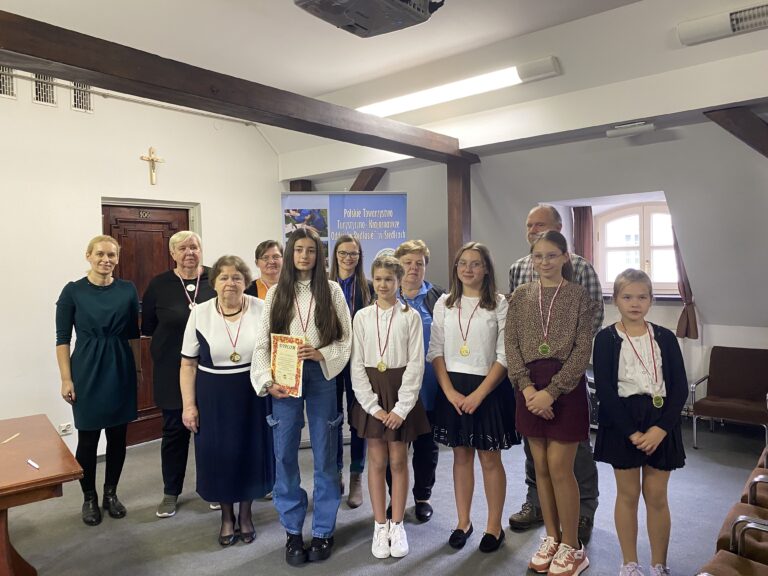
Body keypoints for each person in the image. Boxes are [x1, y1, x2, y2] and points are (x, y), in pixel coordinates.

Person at [251, 228, 352, 565]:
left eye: (310, 250)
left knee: (325, 455)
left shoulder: (332, 291)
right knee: (284, 455)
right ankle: (293, 531)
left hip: (321, 374)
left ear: (318, 255)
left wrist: (322, 353)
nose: (305, 256)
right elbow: (262, 344)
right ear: (290, 253)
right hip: (284, 377)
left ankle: (323, 530)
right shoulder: (275, 293)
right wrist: (266, 381)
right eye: (298, 250)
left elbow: (346, 339)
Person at [508, 204, 603, 544]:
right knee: (540, 465)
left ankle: (579, 521)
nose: (533, 230)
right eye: (529, 225)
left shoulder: (580, 280)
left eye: (541, 224)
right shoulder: (519, 278)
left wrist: (553, 391)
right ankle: (544, 521)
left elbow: (587, 335)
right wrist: (529, 390)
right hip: (529, 386)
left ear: (563, 253)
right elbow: (512, 340)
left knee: (570, 462)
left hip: (565, 382)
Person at [593, 269, 687, 576]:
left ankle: (659, 564)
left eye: (642, 297)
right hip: (623, 421)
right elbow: (605, 390)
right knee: (628, 495)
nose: (635, 303)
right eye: (627, 297)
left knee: (657, 496)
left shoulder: (666, 338)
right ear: (615, 300)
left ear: (651, 300)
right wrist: (632, 433)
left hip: (661, 419)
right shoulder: (605, 339)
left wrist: (661, 429)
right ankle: (629, 563)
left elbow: (679, 388)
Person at [428, 242, 518, 553]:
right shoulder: (444, 303)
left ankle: (494, 527)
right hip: (452, 388)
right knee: (461, 456)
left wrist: (479, 394)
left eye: (475, 263)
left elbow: (505, 355)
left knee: (490, 458)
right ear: (455, 268)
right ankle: (463, 522)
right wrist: (449, 392)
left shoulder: (500, 304)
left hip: (488, 388)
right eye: (463, 263)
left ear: (486, 269)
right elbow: (436, 351)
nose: (468, 269)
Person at [180, 255, 274, 546]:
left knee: (250, 453)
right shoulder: (200, 313)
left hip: (253, 392)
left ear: (246, 282)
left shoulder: (262, 308)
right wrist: (189, 405)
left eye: (236, 277)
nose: (230, 283)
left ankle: (245, 514)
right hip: (213, 396)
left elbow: (277, 350)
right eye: (224, 277)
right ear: (214, 282)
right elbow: (188, 364)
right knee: (219, 455)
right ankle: (226, 517)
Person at [55, 235, 140, 526]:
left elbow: (133, 335)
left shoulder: (127, 290)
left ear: (117, 258)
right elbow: (62, 339)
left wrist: (137, 370)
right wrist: (66, 379)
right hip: (87, 368)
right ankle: (89, 497)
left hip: (120, 366)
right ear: (88, 256)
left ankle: (110, 494)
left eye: (111, 255)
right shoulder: (73, 291)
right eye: (100, 254)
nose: (106, 260)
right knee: (88, 438)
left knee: (118, 437)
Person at [350, 255, 431, 559]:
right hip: (372, 393)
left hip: (400, 393)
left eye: (389, 279)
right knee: (376, 460)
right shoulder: (361, 317)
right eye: (378, 279)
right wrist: (372, 407)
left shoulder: (411, 317)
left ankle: (397, 524)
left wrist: (401, 408)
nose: (383, 285)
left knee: (398, 460)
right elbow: (357, 365)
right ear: (372, 280)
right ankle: (379, 524)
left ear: (399, 281)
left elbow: (416, 364)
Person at [141, 231, 216, 518]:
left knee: (210, 431)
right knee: (175, 431)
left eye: (194, 247)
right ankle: (170, 492)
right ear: (172, 254)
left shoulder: (215, 278)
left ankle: (213, 487)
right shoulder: (159, 285)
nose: (189, 253)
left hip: (210, 369)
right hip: (171, 371)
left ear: (201, 250)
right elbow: (148, 326)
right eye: (182, 248)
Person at [389, 239, 445, 522]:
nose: (413, 268)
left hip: (429, 387)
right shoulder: (387, 294)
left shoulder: (439, 297)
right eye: (407, 263)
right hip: (394, 388)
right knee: (395, 447)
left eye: (419, 263)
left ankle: (423, 496)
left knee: (426, 446)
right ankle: (395, 497)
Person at [330, 234, 373, 508]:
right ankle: (336, 472)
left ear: (359, 257)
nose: (348, 258)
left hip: (359, 361)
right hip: (331, 360)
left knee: (358, 420)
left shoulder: (369, 288)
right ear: (335, 255)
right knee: (333, 418)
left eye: (353, 253)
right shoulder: (324, 286)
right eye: (343, 253)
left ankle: (357, 475)